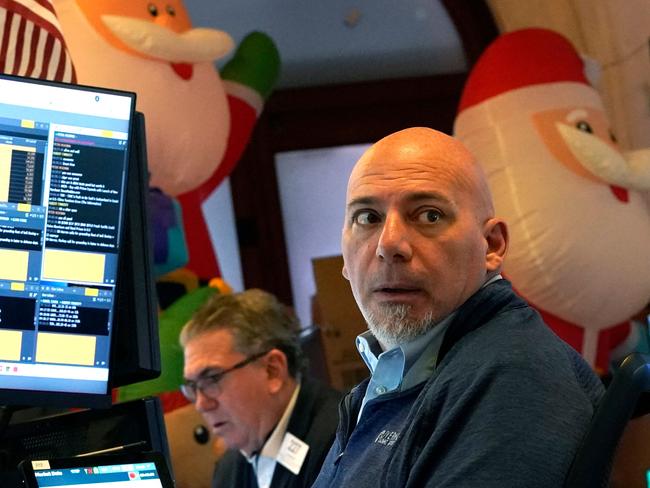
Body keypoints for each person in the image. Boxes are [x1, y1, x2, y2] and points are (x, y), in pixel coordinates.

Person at [311, 127, 605, 487]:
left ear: (492, 245)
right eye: (368, 218)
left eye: (429, 215)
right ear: (343, 256)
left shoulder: (513, 378)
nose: (389, 245)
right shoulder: (406, 374)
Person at [180, 289, 341, 488]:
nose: (201, 404)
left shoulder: (343, 443)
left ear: (272, 370)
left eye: (212, 378)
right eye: (192, 386)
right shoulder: (228, 468)